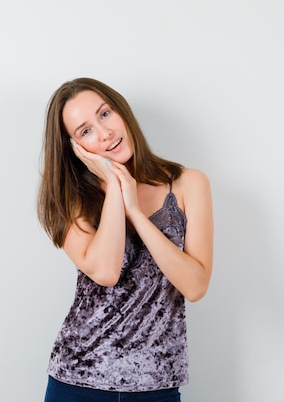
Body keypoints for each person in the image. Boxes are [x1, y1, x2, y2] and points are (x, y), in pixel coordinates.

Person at [37, 77, 214, 402]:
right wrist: (116, 188)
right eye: (85, 131)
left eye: (105, 114)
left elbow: (195, 285)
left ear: (122, 111)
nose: (104, 133)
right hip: (78, 382)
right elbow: (106, 272)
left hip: (156, 386)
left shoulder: (188, 184)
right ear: (75, 148)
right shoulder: (70, 200)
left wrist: (135, 209)